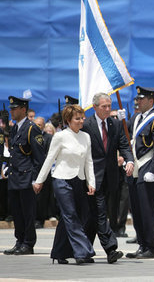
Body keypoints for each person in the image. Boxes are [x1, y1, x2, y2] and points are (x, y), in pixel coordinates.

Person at [33, 104, 96, 264]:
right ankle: (83, 252)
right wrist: (39, 180)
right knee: (70, 215)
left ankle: (59, 252)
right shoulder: (60, 136)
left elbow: (88, 161)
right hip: (61, 179)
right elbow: (49, 159)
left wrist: (91, 182)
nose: (82, 121)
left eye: (82, 117)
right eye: (77, 118)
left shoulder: (86, 137)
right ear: (68, 120)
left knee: (75, 216)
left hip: (79, 180)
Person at [82, 93, 134, 264]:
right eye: (103, 106)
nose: (107, 109)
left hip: (111, 176)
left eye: (109, 105)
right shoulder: (86, 125)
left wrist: (129, 160)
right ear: (95, 107)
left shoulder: (115, 124)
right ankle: (111, 248)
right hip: (91, 176)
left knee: (94, 214)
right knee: (100, 211)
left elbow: (124, 145)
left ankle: (84, 250)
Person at [125, 86, 154, 259]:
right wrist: (118, 120)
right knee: (137, 210)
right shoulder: (135, 117)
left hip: (148, 167)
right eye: (137, 99)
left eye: (141, 99)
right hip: (136, 167)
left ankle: (152, 247)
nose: (138, 101)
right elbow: (126, 138)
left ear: (151, 101)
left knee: (147, 210)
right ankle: (142, 244)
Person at [4, 96, 46, 256]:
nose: (11, 112)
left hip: (27, 177)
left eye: (14, 109)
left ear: (23, 109)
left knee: (28, 212)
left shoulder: (31, 128)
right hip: (15, 176)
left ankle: (28, 243)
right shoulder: (15, 128)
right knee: (17, 212)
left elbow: (39, 157)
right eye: (11, 109)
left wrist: (36, 179)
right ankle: (19, 240)